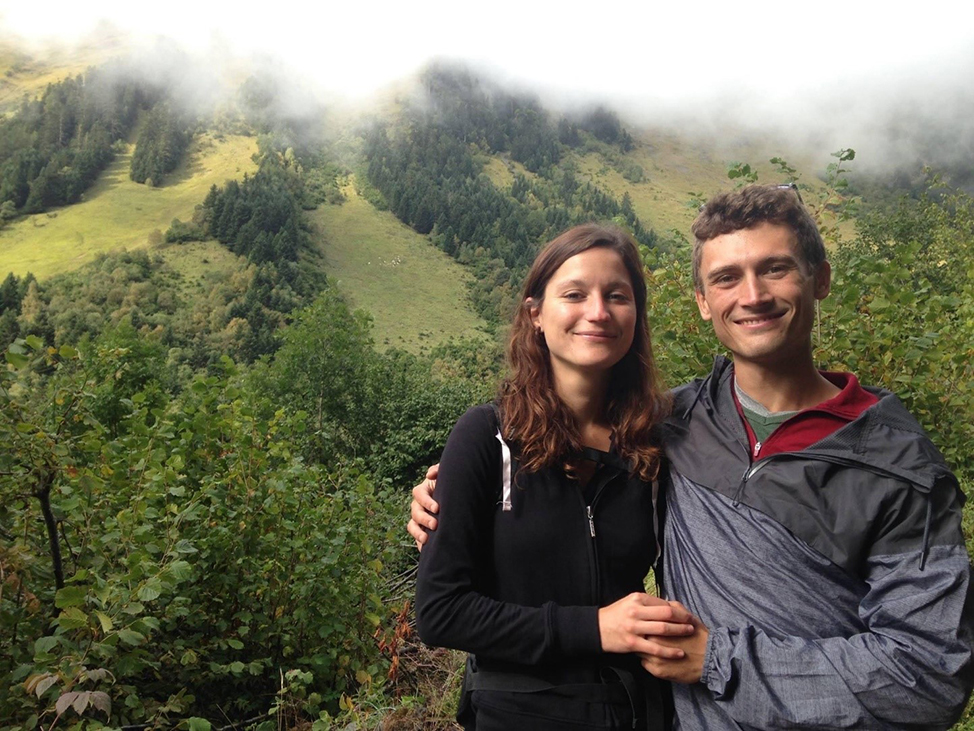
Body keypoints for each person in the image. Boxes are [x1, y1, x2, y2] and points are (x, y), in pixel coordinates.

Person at [410, 185, 974, 729]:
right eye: (727, 278)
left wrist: (719, 660)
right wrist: (453, 492)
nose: (752, 296)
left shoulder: (899, 468)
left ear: (820, 278)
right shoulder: (671, 424)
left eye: (775, 268)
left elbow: (930, 674)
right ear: (704, 303)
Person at [414, 223, 695, 731]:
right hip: (518, 713)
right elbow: (440, 612)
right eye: (574, 294)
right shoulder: (487, 437)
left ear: (637, 316)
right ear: (536, 315)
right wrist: (594, 627)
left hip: (638, 711)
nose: (598, 312)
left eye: (617, 296)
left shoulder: (659, 441)